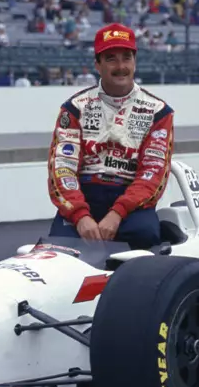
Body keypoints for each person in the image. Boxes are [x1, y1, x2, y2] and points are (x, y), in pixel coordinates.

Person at [47, 23, 174, 249]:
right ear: (97, 64)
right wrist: (80, 216)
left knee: (145, 236)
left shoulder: (159, 112)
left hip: (131, 203)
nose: (121, 66)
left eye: (127, 58)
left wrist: (117, 213)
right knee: (59, 249)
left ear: (135, 62)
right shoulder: (74, 108)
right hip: (83, 198)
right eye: (111, 59)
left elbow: (153, 175)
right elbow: (62, 169)